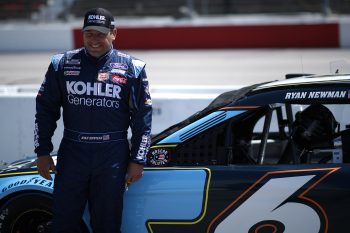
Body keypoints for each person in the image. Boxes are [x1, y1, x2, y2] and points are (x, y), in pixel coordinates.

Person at [34, 7, 152, 233]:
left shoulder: (132, 68)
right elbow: (45, 109)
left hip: (112, 155)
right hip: (72, 153)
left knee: (107, 224)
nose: (94, 39)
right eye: (89, 33)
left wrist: (138, 158)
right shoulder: (62, 63)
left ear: (113, 33)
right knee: (63, 223)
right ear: (82, 34)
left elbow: (142, 118)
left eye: (100, 33)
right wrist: (42, 151)